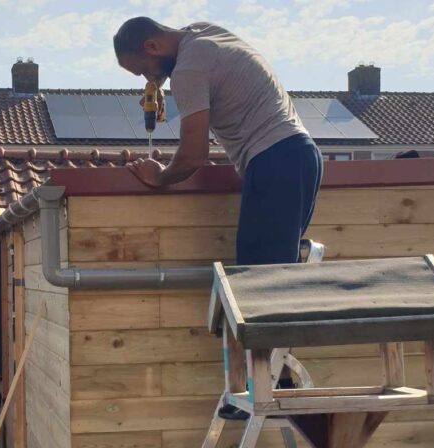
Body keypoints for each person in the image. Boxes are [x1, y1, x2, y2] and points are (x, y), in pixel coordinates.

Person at [114, 17, 323, 415]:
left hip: (274, 161)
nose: (147, 80)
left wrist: (160, 178)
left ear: (152, 46)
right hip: (300, 155)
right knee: (271, 275)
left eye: (142, 70)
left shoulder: (189, 70)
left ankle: (266, 388)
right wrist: (158, 86)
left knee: (256, 282)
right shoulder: (204, 34)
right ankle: (274, 379)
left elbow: (193, 154)